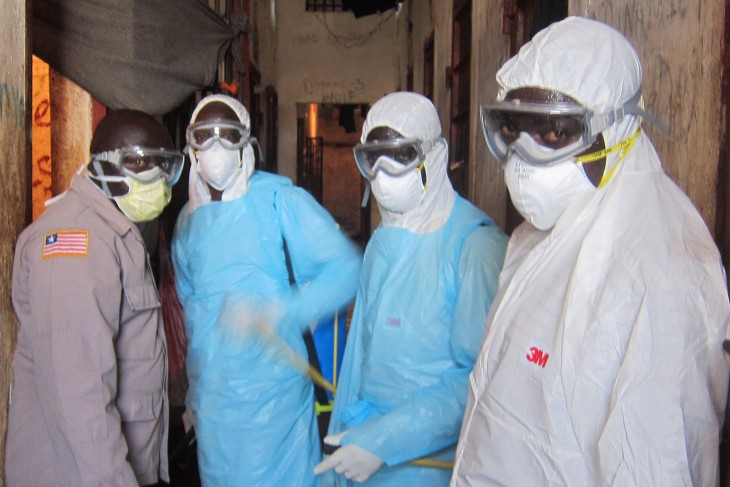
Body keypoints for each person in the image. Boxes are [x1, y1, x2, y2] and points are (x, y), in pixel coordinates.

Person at [451, 16, 730, 486]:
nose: (524, 156)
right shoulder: (539, 233)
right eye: (513, 128)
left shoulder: (659, 268)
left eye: (554, 132)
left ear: (617, 128)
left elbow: (653, 467)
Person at [314, 91, 508, 485]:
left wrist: (384, 441)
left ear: (433, 156)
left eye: (401, 156)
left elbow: (477, 381)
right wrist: (346, 440)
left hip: (427, 464)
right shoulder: (383, 242)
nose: (383, 174)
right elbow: (356, 361)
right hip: (362, 449)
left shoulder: (475, 247)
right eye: (373, 159)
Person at [171, 93, 362, 486]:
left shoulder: (280, 203)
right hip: (216, 413)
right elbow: (194, 316)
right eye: (204, 137)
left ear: (245, 142)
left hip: (276, 407)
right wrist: (194, 398)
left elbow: (347, 269)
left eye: (227, 135)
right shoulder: (187, 225)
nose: (216, 148)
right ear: (191, 147)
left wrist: (280, 311)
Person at [6, 109, 182, 485]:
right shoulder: (75, 243)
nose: (157, 178)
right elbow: (78, 397)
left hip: (123, 465)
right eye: (140, 163)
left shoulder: (114, 231)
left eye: (164, 166)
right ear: (104, 166)